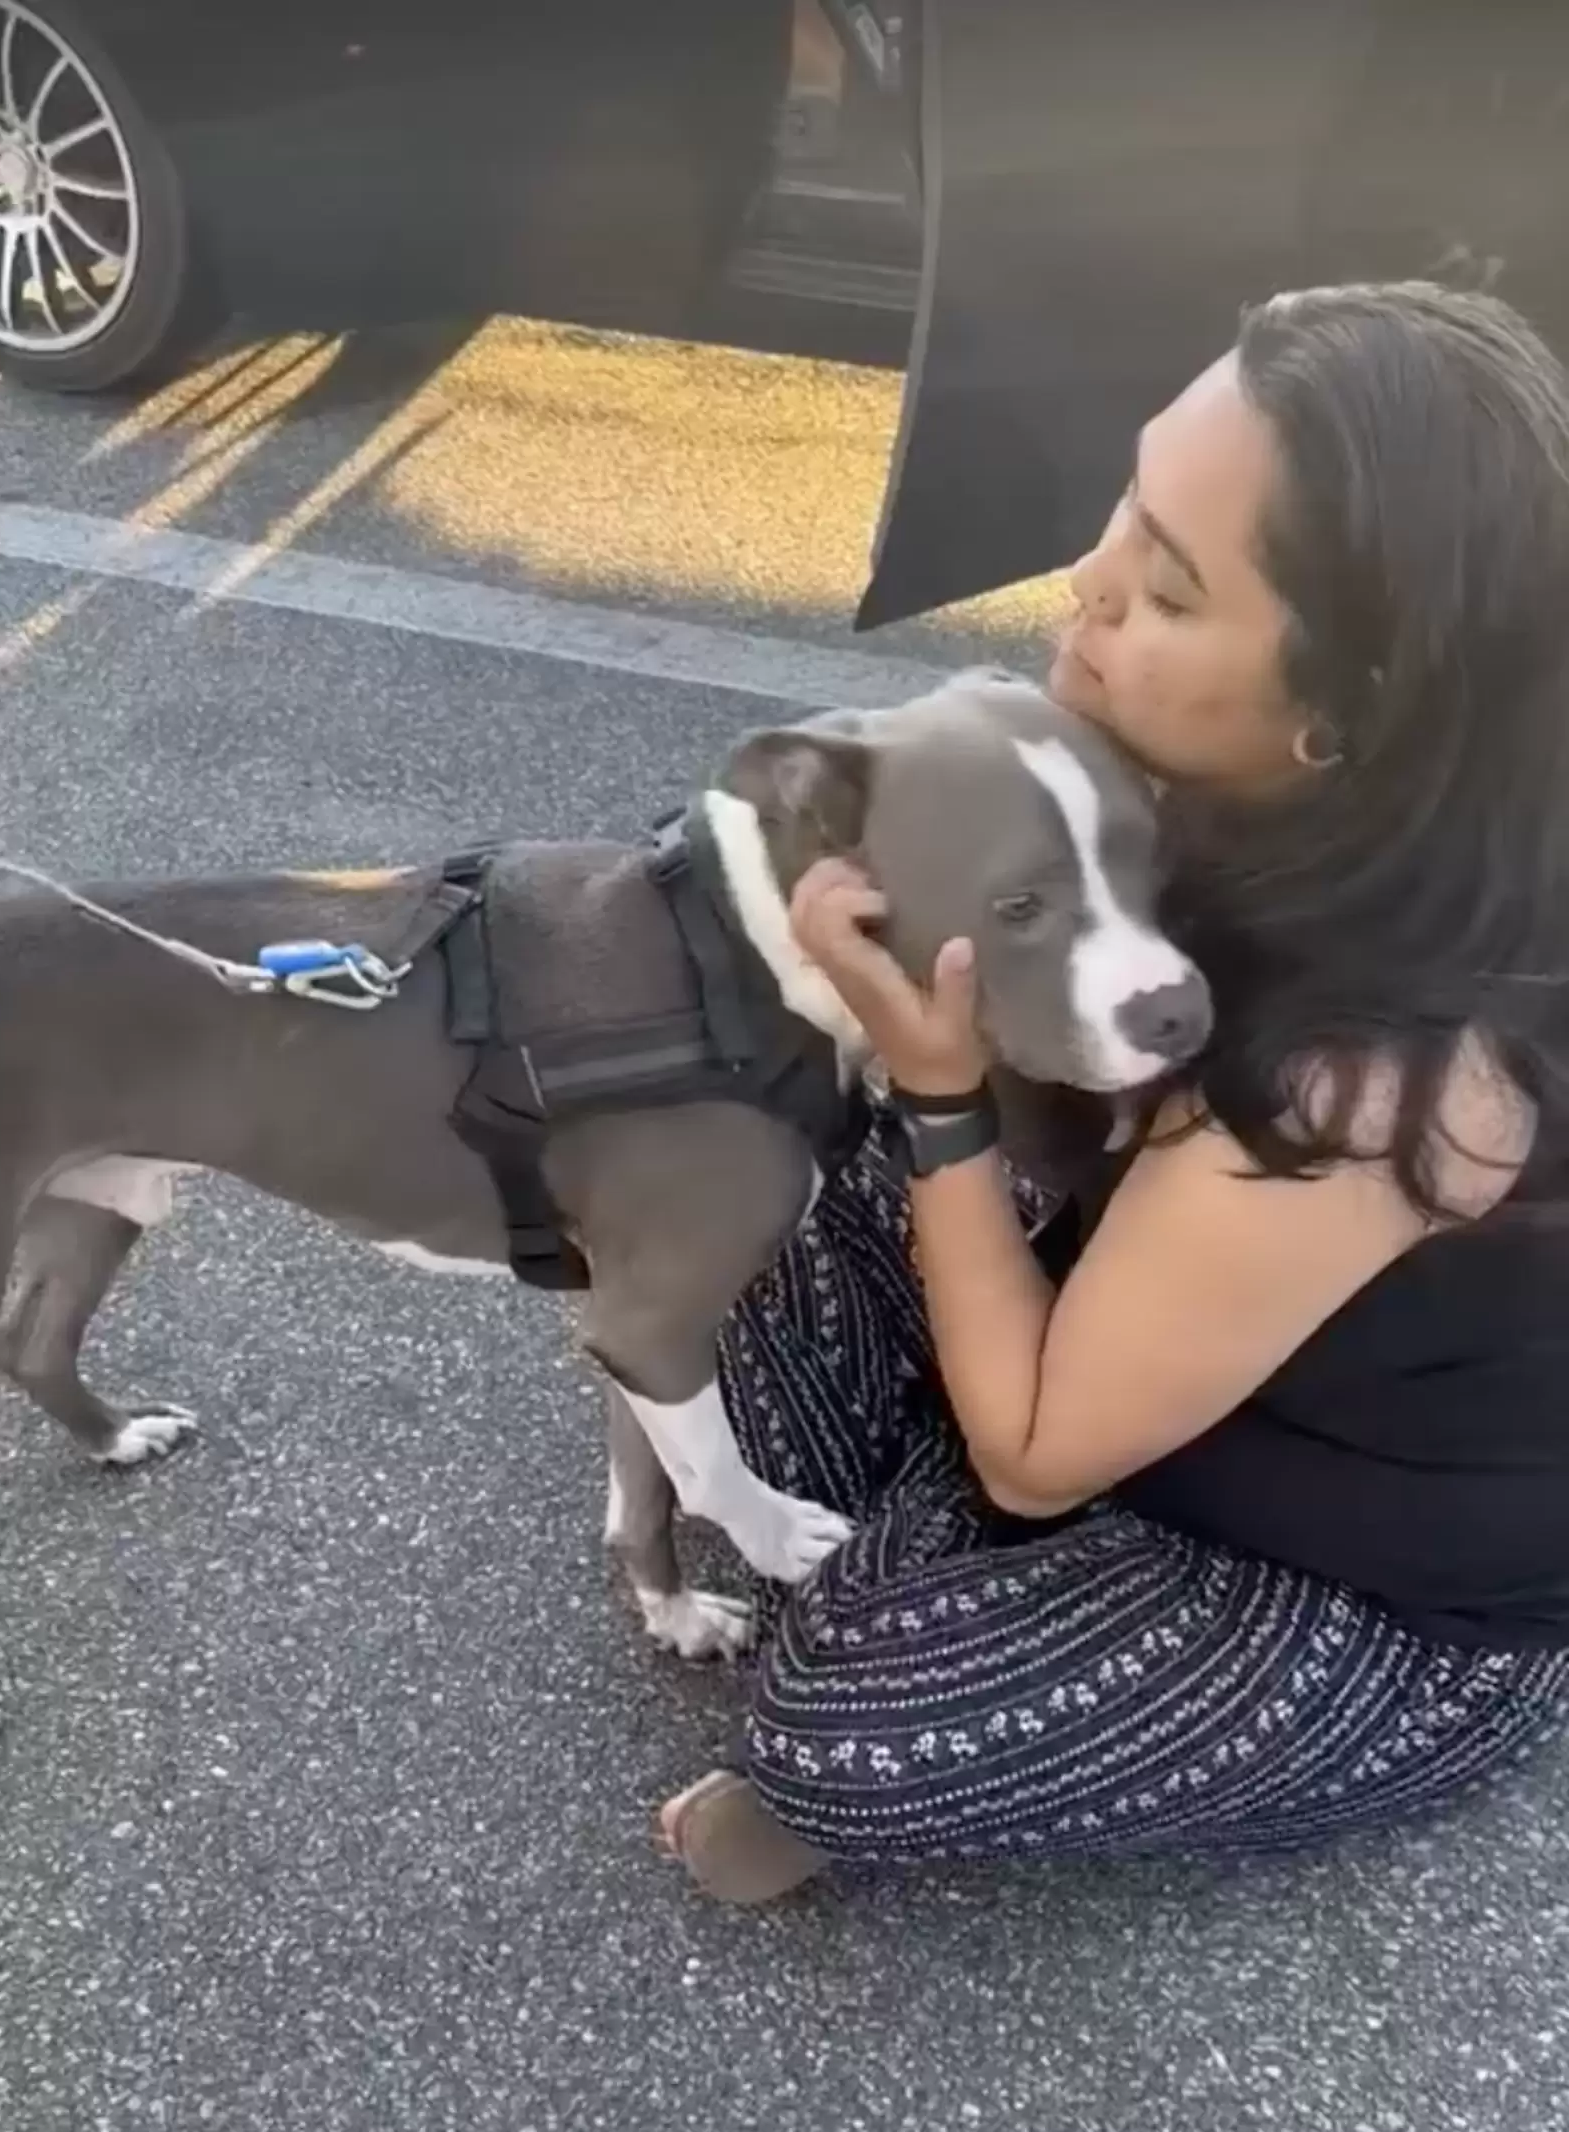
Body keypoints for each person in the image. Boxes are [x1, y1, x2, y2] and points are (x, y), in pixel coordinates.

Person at [655, 279, 1569, 1903]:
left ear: (1337, 719)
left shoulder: (1391, 1075)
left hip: (1374, 1571)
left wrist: (944, 1099)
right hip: (1158, 1315)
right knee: (727, 1222)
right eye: (1127, 508)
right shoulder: (1209, 784)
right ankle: (973, 1529)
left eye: (1162, 585)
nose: (1085, 585)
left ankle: (935, 1646)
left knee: (840, 1717)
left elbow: (1028, 1450)